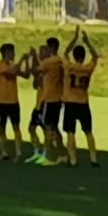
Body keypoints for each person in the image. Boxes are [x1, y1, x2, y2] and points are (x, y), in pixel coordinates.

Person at [61, 39, 99, 167]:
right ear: (83, 57)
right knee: (88, 131)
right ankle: (93, 159)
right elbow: (95, 56)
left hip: (70, 103)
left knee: (70, 132)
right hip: (83, 102)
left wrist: (74, 38)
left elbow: (65, 53)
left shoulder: (69, 67)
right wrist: (88, 42)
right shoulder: (87, 69)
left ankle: (73, 160)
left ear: (74, 55)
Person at [33, 36, 66, 166]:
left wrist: (34, 57)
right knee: (54, 127)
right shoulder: (61, 61)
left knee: (47, 128)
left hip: (49, 98)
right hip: (59, 98)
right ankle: (62, 154)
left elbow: (35, 71)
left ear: (51, 47)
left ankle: (49, 156)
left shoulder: (49, 62)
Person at [0, 43, 24, 160]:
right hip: (2, 101)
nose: (14, 55)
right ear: (6, 53)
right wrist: (23, 59)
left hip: (13, 101)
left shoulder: (13, 65)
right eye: (12, 52)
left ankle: (19, 152)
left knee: (16, 126)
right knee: (2, 127)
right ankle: (4, 152)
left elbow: (24, 74)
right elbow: (11, 72)